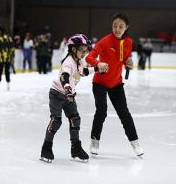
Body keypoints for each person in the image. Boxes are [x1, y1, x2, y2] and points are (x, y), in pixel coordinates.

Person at [85, 12, 144, 156]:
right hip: (100, 82)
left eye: (121, 27)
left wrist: (129, 63)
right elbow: (89, 57)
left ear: (126, 27)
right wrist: (99, 62)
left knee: (124, 114)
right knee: (101, 111)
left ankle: (135, 142)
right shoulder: (105, 41)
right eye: (115, 26)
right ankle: (94, 140)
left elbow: (123, 59)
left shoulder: (129, 43)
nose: (117, 29)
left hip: (116, 84)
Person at [40, 34, 96, 163]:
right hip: (57, 94)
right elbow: (64, 77)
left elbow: (83, 72)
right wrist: (68, 90)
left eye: (86, 50)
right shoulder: (69, 62)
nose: (85, 52)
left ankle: (75, 148)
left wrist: (97, 69)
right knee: (56, 121)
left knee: (75, 119)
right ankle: (46, 148)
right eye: (82, 50)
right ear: (73, 49)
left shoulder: (79, 61)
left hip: (69, 96)